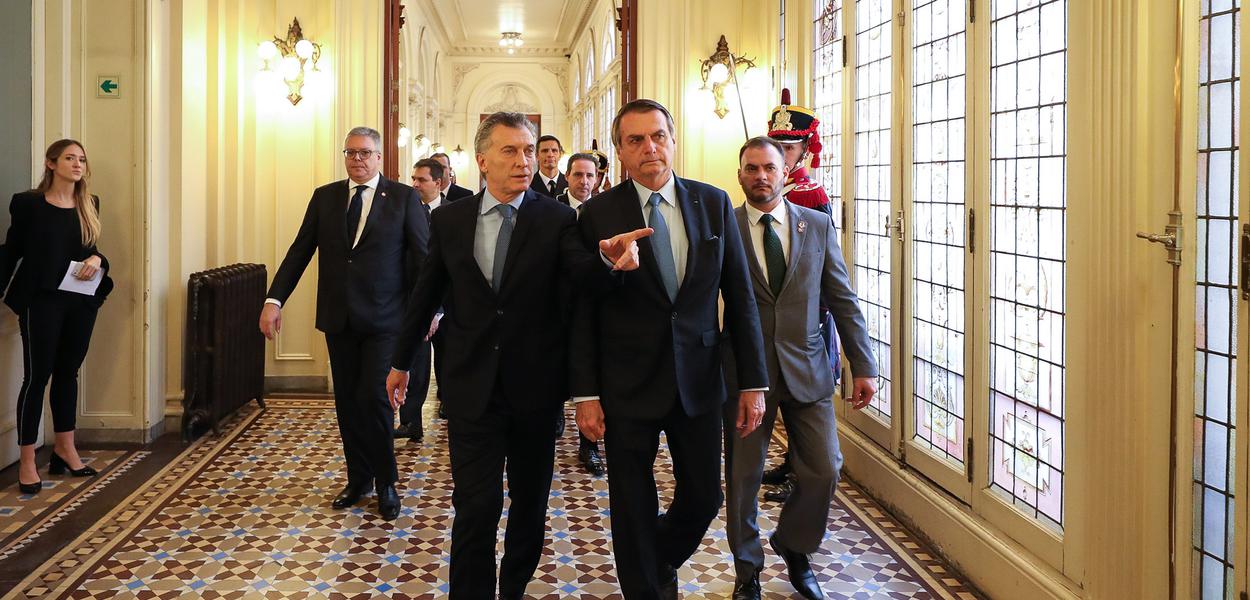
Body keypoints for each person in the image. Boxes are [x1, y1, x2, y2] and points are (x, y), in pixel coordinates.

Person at [385, 112, 649, 599]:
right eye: (511, 151)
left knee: (529, 508)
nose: (524, 161)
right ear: (482, 161)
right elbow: (425, 296)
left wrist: (609, 261)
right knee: (476, 507)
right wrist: (401, 362)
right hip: (471, 388)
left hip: (535, 390)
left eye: (529, 151)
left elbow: (580, 277)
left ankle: (513, 589)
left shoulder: (556, 219)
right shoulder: (449, 220)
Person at [572, 99, 769, 600]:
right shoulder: (598, 213)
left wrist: (752, 382)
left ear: (673, 140)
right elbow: (582, 309)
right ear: (618, 151)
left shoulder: (712, 202)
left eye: (658, 136)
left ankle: (655, 557)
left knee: (704, 496)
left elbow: (740, 296)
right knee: (631, 504)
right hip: (625, 383)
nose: (649, 148)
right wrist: (586, 394)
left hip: (700, 380)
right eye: (635, 140)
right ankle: (645, 587)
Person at [722, 137, 878, 600]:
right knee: (744, 478)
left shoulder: (816, 225)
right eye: (751, 169)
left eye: (769, 167)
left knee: (825, 467)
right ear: (740, 174)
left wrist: (862, 363)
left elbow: (841, 297)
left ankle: (794, 545)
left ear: (784, 172)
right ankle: (747, 571)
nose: (761, 176)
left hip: (808, 369)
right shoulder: (724, 225)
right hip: (747, 375)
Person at [259, 127, 428, 521]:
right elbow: (300, 250)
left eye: (365, 153)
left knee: (374, 397)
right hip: (340, 318)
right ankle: (359, 479)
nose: (357, 160)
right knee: (348, 402)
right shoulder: (326, 197)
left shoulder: (403, 198)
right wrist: (273, 299)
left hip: (387, 320)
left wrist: (431, 313)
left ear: (379, 157)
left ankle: (386, 481)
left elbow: (423, 259)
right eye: (350, 153)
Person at [0, 139, 114, 495]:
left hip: (79, 302)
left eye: (82, 158)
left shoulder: (88, 204)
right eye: (69, 158)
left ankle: (65, 448)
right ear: (51, 164)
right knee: (37, 377)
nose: (78, 164)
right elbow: (12, 251)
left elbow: (90, 252)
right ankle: (28, 458)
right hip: (42, 301)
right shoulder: (28, 204)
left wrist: (98, 260)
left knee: (68, 373)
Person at [759, 88, 842, 502]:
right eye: (777, 146)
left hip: (810, 317)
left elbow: (825, 266)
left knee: (805, 399)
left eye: (789, 147)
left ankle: (802, 473)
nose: (782, 154)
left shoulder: (810, 195)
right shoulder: (772, 188)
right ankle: (791, 462)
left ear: (805, 148)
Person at [392, 158, 449, 442]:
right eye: (413, 178)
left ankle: (453, 407)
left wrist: (437, 311)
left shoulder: (454, 214)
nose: (414, 184)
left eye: (421, 180)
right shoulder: (403, 212)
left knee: (449, 362)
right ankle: (411, 420)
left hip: (449, 306)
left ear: (438, 183)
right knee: (416, 361)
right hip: (413, 300)